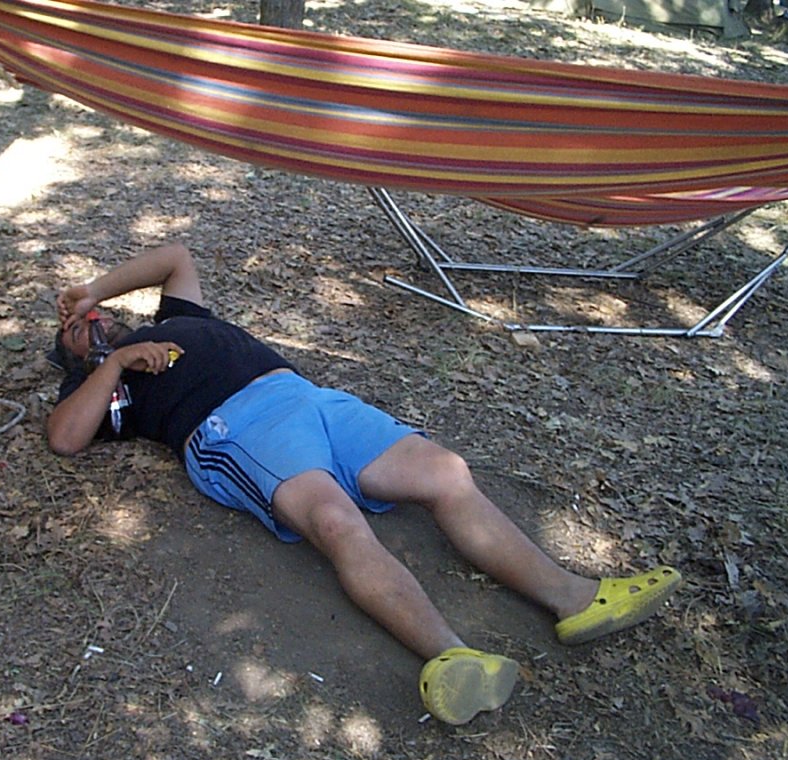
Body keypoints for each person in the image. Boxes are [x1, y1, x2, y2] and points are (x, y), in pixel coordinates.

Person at [47, 242, 682, 725]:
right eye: (76, 330)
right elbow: (64, 438)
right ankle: (451, 657)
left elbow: (176, 256)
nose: (91, 320)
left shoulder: (176, 317)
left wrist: (89, 289)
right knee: (336, 522)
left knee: (445, 473)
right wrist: (114, 363)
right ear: (74, 359)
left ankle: (575, 598)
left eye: (95, 314)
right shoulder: (106, 387)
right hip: (235, 427)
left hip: (311, 399)